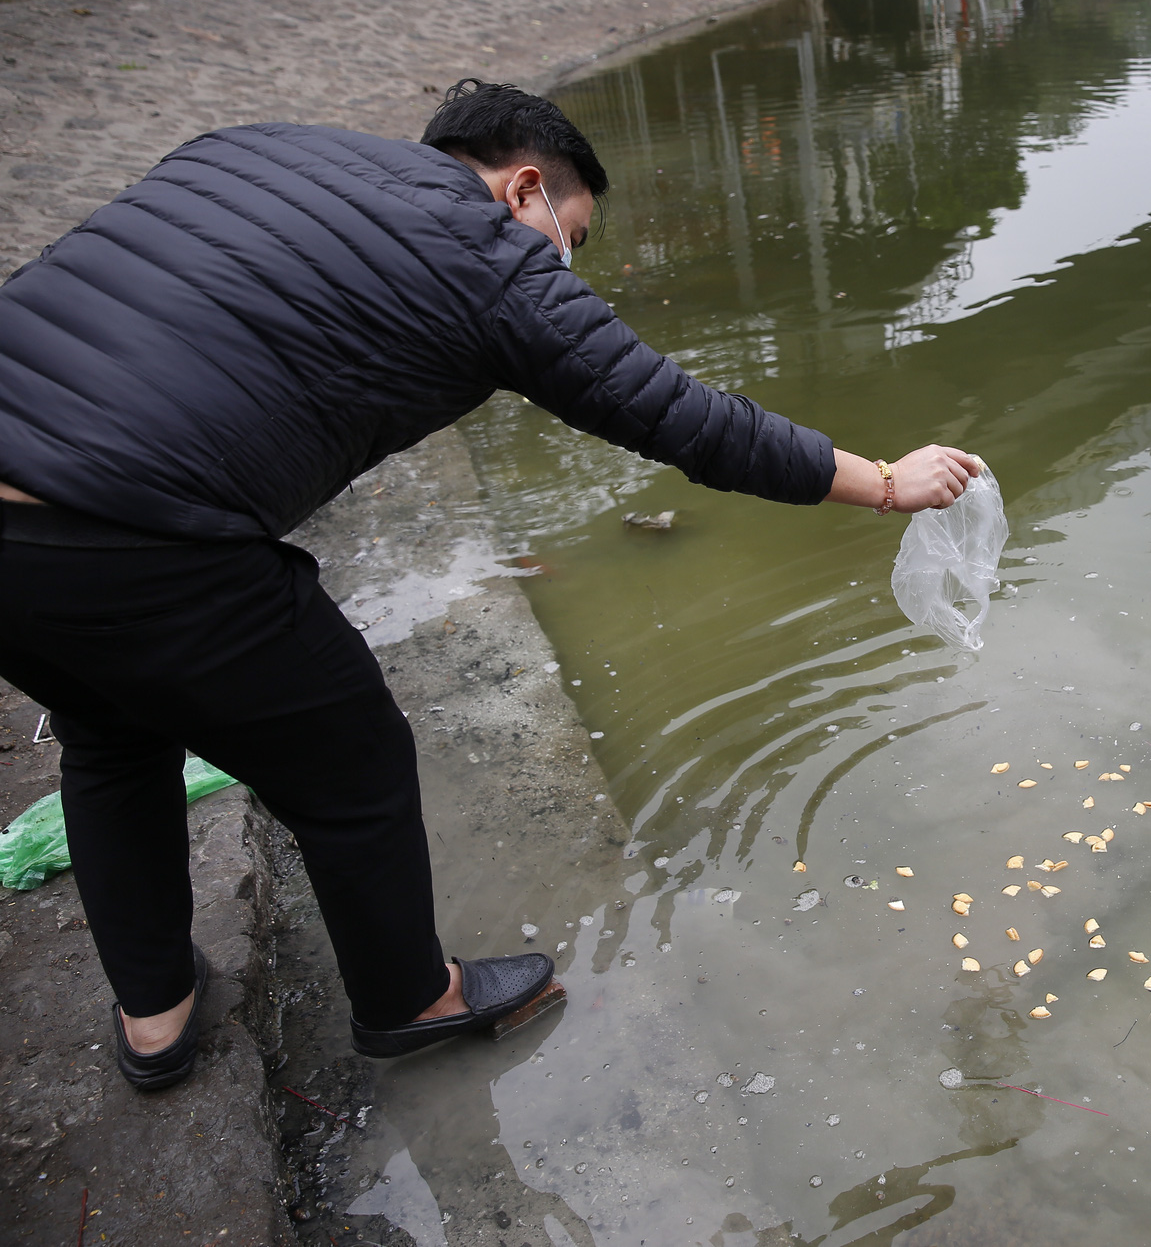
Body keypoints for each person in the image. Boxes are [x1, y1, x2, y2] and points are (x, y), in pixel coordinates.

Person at [0, 78, 978, 1090]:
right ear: (523, 190)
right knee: (353, 754)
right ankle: (410, 1000)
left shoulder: (253, 141)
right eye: (575, 234)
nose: (565, 261)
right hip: (134, 528)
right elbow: (680, 416)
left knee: (113, 737)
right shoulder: (487, 253)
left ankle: (156, 1016)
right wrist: (881, 483)